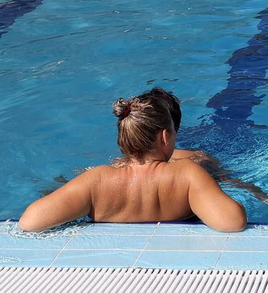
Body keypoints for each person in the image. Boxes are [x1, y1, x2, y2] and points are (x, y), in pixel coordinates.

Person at [19, 88, 247, 232]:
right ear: (165, 137)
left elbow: (29, 222)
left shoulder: (97, 180)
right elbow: (233, 222)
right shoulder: (187, 175)